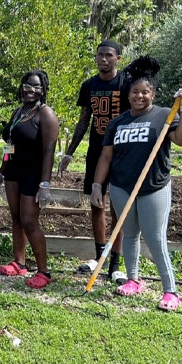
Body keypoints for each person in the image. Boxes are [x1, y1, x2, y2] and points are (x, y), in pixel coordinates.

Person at [91, 56, 182, 311]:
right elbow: (106, 156)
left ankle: (170, 291)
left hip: (153, 186)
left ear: (153, 94)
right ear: (128, 95)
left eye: (145, 92)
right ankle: (133, 279)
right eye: (135, 92)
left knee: (155, 237)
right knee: (130, 234)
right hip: (121, 186)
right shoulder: (118, 122)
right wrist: (96, 185)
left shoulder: (163, 117)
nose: (139, 96)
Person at [58, 40, 129, 283]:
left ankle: (116, 263)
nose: (103, 59)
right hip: (97, 152)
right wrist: (69, 152)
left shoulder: (126, 83)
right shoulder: (89, 85)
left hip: (121, 153)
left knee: (118, 207)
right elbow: (83, 120)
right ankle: (100, 257)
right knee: (96, 203)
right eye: (100, 55)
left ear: (118, 58)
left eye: (108, 55)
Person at [0, 71, 59, 289]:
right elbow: (9, 144)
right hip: (13, 171)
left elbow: (49, 151)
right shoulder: (19, 111)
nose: (30, 90)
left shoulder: (45, 114)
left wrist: (45, 184)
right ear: (21, 87)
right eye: (27, 85)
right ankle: (19, 263)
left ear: (43, 90)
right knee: (16, 218)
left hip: (33, 174)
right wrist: (2, 169)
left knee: (30, 222)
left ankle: (44, 271)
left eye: (36, 87)